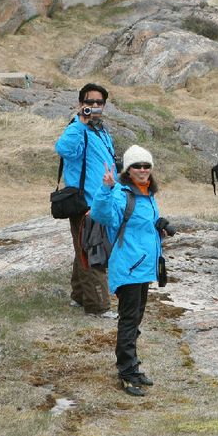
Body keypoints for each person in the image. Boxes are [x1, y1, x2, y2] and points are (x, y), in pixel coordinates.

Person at [91, 145, 171, 397]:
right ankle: (126, 372)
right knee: (128, 321)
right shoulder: (120, 194)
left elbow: (140, 225)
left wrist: (159, 225)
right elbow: (101, 215)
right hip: (128, 267)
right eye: (137, 166)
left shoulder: (148, 194)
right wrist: (105, 188)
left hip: (144, 268)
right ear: (128, 170)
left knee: (135, 319)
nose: (143, 170)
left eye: (147, 166)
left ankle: (132, 366)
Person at [54, 82, 117, 317]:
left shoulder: (100, 130)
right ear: (81, 104)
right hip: (85, 204)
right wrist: (79, 122)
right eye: (89, 102)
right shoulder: (78, 129)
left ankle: (79, 296)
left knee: (85, 249)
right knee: (94, 253)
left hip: (101, 200)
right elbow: (64, 149)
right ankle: (98, 307)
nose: (94, 106)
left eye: (99, 102)